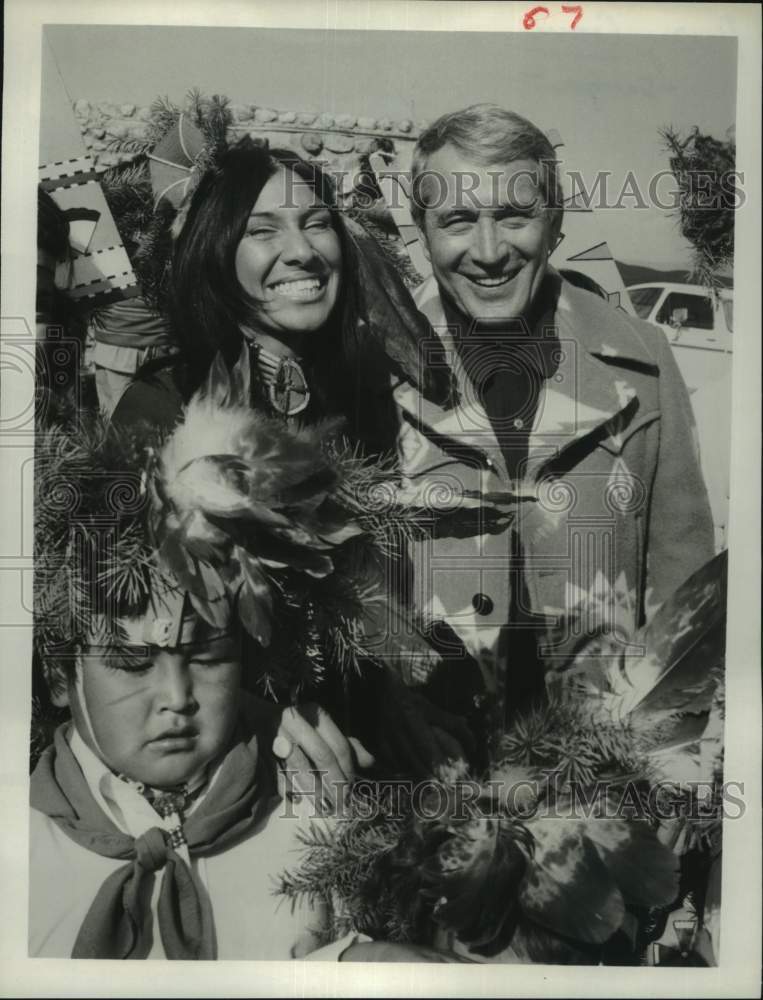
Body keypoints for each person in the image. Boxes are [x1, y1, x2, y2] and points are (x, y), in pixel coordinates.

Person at [111, 120, 488, 780]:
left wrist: (395, 698)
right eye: (262, 231)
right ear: (215, 251)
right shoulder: (163, 405)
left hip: (345, 732)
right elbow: (123, 622)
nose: (303, 251)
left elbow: (365, 588)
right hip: (210, 743)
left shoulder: (360, 398)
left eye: (316, 223)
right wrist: (258, 714)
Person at [29, 397, 459, 962]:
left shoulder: (306, 813)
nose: (178, 699)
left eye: (207, 658)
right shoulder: (23, 844)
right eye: (133, 663)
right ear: (61, 675)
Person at [404, 103, 715, 718]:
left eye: (515, 216)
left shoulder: (642, 358)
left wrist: (667, 749)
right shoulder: (375, 364)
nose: (489, 251)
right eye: (458, 220)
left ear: (555, 222)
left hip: (599, 757)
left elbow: (687, 589)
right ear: (423, 231)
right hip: (428, 757)